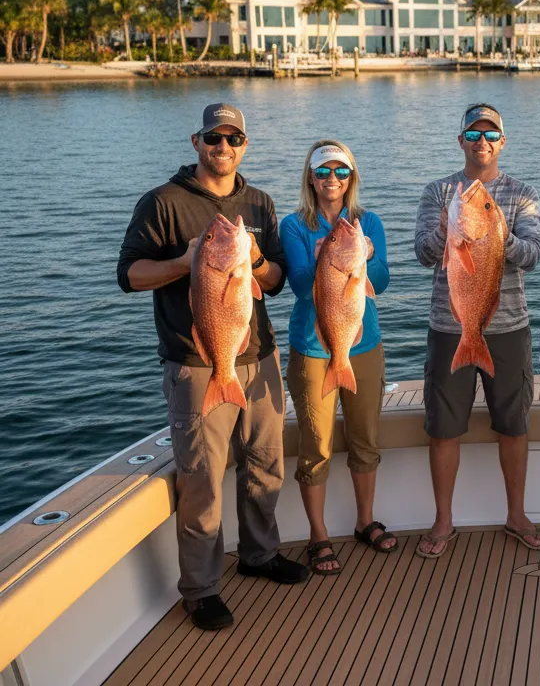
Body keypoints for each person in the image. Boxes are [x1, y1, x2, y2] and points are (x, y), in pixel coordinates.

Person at [116, 103, 308, 632]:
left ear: (245, 144)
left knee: (265, 463)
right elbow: (129, 274)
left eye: (234, 139)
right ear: (196, 141)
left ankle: (259, 554)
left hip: (259, 356)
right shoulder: (163, 203)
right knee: (202, 479)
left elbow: (273, 282)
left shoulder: (259, 202)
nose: (224, 147)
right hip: (198, 364)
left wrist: (257, 261)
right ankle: (200, 589)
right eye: (213, 138)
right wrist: (185, 262)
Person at [412, 103, 540, 558]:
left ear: (502, 142)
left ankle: (517, 513)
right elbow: (423, 255)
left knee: (513, 423)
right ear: (461, 141)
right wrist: (454, 232)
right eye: (473, 135)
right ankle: (443, 520)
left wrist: (499, 234)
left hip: (508, 326)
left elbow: (531, 255)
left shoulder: (523, 193)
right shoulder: (439, 192)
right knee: (444, 427)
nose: (482, 143)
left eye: (491, 135)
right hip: (450, 327)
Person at [280, 141, 393, 576]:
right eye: (323, 172)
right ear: (310, 177)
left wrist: (363, 256)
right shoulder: (294, 225)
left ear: (352, 178)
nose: (332, 180)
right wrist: (330, 257)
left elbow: (379, 281)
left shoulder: (369, 223)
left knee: (365, 437)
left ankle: (365, 520)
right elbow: (300, 284)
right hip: (312, 348)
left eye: (341, 172)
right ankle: (318, 534)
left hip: (363, 346)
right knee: (317, 445)